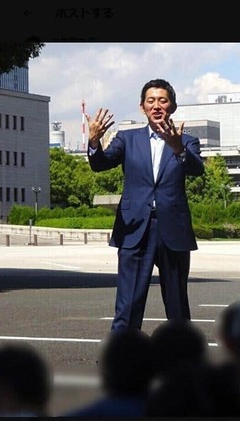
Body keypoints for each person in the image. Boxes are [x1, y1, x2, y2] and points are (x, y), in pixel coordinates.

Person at [86, 78, 205, 330]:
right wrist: (94, 143)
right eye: (151, 101)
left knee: (177, 306)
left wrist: (178, 149)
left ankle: (182, 352)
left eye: (163, 100)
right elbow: (101, 164)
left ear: (172, 106)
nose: (156, 106)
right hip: (134, 228)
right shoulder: (127, 139)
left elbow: (197, 169)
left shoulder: (187, 141)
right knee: (128, 305)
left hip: (173, 229)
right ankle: (122, 351)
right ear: (142, 107)